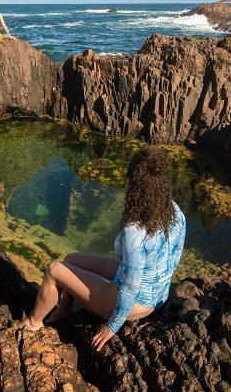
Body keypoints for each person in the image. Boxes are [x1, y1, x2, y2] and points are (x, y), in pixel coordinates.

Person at [20, 146, 187, 351]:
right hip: (159, 294)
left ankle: (32, 324)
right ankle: (64, 307)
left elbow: (130, 288)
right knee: (70, 258)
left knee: (54, 270)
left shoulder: (134, 232)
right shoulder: (175, 210)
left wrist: (111, 326)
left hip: (136, 303)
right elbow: (175, 257)